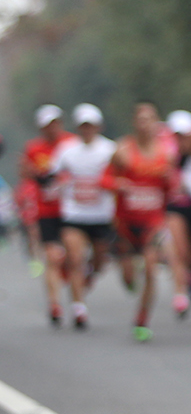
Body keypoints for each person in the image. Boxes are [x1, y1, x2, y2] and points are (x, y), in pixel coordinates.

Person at [109, 103, 176, 341]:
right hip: (126, 223)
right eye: (141, 119)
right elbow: (104, 178)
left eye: (150, 119)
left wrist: (168, 181)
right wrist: (117, 184)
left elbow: (171, 189)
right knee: (128, 278)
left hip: (152, 222)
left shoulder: (166, 154)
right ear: (134, 123)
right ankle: (130, 282)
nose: (145, 124)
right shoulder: (123, 151)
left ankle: (142, 319)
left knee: (150, 270)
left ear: (157, 123)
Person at [49, 104, 118, 330]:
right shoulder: (66, 149)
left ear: (99, 126)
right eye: (83, 126)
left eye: (91, 126)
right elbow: (51, 175)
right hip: (74, 214)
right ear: (78, 128)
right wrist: (55, 184)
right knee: (75, 259)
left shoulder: (110, 150)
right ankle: (79, 308)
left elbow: (121, 176)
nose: (87, 130)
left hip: (100, 216)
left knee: (99, 261)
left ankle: (89, 277)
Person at [23, 105, 72, 325]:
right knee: (52, 257)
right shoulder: (33, 149)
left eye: (55, 123)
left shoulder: (72, 143)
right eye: (47, 125)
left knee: (72, 257)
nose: (52, 129)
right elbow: (28, 176)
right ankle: (55, 305)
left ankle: (69, 277)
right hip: (47, 211)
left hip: (72, 210)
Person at [163, 109, 191, 318]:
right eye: (177, 135)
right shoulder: (167, 153)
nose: (181, 139)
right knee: (179, 249)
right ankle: (180, 293)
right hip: (175, 207)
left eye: (185, 134)